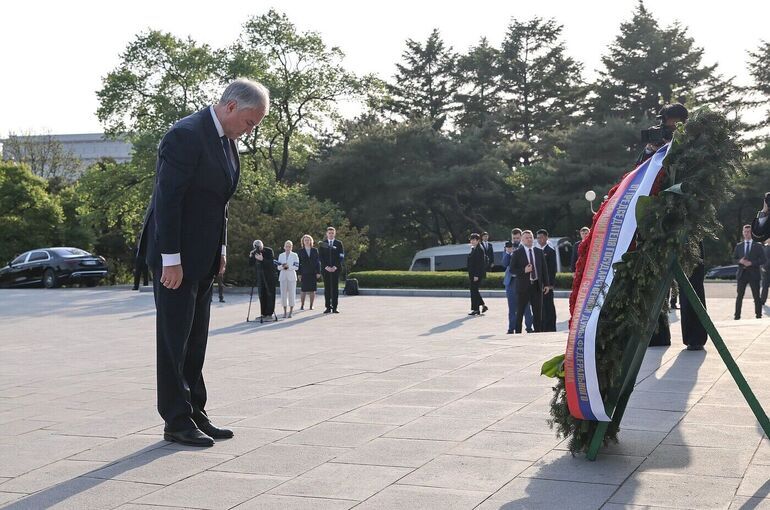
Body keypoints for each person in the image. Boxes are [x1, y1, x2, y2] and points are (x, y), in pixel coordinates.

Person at [137, 78, 269, 446]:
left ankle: (196, 410)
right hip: (175, 258)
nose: (250, 130)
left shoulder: (227, 141)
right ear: (230, 107)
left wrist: (221, 249)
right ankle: (176, 421)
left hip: (205, 256)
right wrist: (171, 260)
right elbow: (167, 202)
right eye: (249, 122)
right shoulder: (185, 135)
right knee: (173, 341)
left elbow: (219, 203)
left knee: (195, 341)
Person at [511, 230, 552, 333]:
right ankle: (518, 333)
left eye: (530, 237)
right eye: (526, 238)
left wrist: (546, 284)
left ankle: (537, 333)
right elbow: (512, 270)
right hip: (523, 287)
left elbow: (544, 269)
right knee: (520, 312)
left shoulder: (539, 252)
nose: (529, 240)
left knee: (538, 312)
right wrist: (524, 270)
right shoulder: (517, 253)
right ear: (522, 240)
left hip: (536, 286)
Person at [734, 224, 767, 320]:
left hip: (754, 274)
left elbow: (763, 260)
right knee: (739, 296)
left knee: (756, 296)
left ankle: (758, 315)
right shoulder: (739, 246)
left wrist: (751, 263)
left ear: (751, 233)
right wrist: (740, 261)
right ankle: (737, 316)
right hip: (742, 274)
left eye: (748, 232)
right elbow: (734, 259)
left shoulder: (758, 246)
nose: (747, 233)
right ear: (743, 233)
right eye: (745, 232)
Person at [679, 242, 708, 350]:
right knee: (685, 300)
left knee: (695, 295)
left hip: (693, 254)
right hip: (682, 254)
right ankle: (690, 338)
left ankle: (696, 339)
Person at [536, 229, 558, 332]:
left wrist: (550, 285)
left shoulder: (550, 251)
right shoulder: (535, 250)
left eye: (542, 237)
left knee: (548, 306)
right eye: (538, 237)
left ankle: (550, 327)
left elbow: (553, 269)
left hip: (547, 285)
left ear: (546, 238)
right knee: (540, 307)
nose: (540, 239)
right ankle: (542, 327)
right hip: (537, 284)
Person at [249, 240, 277, 319]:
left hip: (269, 276)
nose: (259, 248)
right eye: (256, 246)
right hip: (260, 276)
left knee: (270, 293)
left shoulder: (269, 251)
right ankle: (263, 313)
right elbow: (250, 264)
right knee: (262, 294)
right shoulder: (254, 252)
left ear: (262, 245)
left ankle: (269, 313)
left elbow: (271, 263)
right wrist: (251, 256)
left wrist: (262, 259)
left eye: (259, 246)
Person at [319, 226, 344, 313]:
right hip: (326, 270)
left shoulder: (339, 243)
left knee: (334, 288)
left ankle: (335, 307)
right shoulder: (323, 243)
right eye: (329, 233)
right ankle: (328, 307)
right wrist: (326, 267)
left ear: (335, 234)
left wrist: (335, 267)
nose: (331, 234)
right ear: (327, 234)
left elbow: (341, 256)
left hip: (335, 269)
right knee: (327, 289)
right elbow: (320, 257)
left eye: (332, 233)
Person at [277, 240, 299, 318]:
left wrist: (288, 267)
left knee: (292, 294)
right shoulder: (281, 255)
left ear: (291, 247)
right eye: (286, 246)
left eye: (289, 246)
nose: (288, 248)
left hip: (292, 277)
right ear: (284, 247)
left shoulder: (294, 255)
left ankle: (291, 311)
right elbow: (278, 267)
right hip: (283, 277)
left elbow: (296, 266)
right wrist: (283, 267)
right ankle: (285, 312)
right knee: (283, 294)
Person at [298, 234, 321, 310]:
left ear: (311, 241)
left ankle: (311, 305)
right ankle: (302, 305)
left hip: (313, 272)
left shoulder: (315, 250)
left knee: (312, 290)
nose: (307, 241)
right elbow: (299, 263)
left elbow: (318, 262)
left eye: (308, 240)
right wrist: (299, 274)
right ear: (303, 242)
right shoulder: (300, 251)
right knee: (303, 290)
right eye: (305, 240)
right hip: (304, 272)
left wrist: (318, 272)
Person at [467, 233, 488, 316]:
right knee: (474, 290)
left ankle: (476, 309)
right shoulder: (474, 248)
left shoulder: (479, 249)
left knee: (474, 291)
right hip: (473, 274)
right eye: (471, 240)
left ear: (478, 240)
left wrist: (476, 275)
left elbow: (480, 264)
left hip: (477, 274)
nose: (472, 241)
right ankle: (482, 305)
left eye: (474, 240)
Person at [762, 239, 770, 306]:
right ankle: (762, 301)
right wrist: (762, 267)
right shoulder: (765, 247)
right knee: (765, 286)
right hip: (766, 271)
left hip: (767, 268)